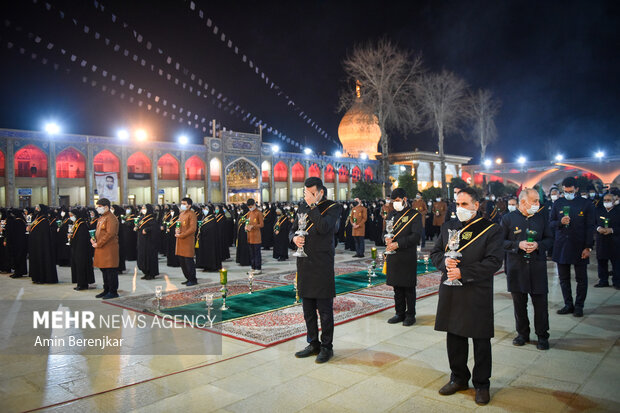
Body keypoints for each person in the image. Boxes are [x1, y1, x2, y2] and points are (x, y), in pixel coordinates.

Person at [431, 187, 503, 405]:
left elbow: (493, 261)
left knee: (480, 338)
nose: (459, 208)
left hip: (476, 289)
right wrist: (445, 262)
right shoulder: (449, 226)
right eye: (457, 204)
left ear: (476, 205)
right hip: (451, 289)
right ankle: (459, 377)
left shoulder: (491, 230)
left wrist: (464, 272)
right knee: (454, 335)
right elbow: (435, 253)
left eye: (464, 204)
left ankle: (482, 383)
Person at [292, 177, 342, 364]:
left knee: (325, 311)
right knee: (308, 310)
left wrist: (313, 207)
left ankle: (326, 346)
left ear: (320, 192)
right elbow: (293, 230)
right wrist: (294, 240)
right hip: (304, 264)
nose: (308, 196)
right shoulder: (301, 207)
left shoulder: (333, 207)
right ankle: (313, 343)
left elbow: (324, 227)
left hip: (322, 265)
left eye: (311, 193)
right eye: (306, 193)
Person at [501, 188, 554, 350]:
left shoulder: (541, 218)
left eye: (538, 200)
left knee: (540, 304)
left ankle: (542, 336)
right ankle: (522, 334)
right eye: (535, 201)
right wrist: (518, 245)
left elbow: (550, 239)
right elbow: (499, 241)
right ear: (523, 202)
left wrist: (538, 245)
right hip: (517, 268)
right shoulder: (508, 219)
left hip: (537, 266)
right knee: (519, 304)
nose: (538, 204)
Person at [549, 177, 595, 317]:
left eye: (570, 191)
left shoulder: (586, 204)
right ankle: (568, 304)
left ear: (576, 189)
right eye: (565, 191)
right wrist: (560, 222)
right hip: (562, 245)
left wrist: (588, 247)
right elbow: (551, 223)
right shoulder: (558, 203)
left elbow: (590, 227)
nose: (568, 193)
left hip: (579, 245)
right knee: (564, 279)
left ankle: (579, 305)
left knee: (581, 279)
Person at [384, 188, 423, 326]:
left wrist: (398, 243)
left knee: (408, 288)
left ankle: (410, 315)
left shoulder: (414, 215)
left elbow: (416, 236)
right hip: (394, 256)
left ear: (405, 199)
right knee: (397, 287)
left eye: (398, 201)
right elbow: (385, 232)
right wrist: (387, 239)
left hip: (407, 255)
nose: (395, 203)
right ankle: (399, 313)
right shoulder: (391, 215)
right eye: (393, 201)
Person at [92, 198, 120, 299]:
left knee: (110, 270)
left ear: (106, 207)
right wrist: (95, 240)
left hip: (109, 249)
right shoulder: (102, 217)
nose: (97, 208)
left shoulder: (111, 218)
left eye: (99, 207)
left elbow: (110, 234)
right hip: (101, 248)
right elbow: (99, 232)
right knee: (104, 270)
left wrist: (99, 243)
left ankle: (113, 291)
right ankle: (106, 289)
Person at [593, 193, 619, 289]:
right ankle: (603, 281)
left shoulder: (618, 211)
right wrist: (598, 228)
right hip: (602, 240)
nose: (606, 202)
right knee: (601, 262)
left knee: (616, 263)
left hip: (615, 242)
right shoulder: (598, 211)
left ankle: (617, 282)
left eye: (609, 200)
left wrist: (611, 230)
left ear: (614, 201)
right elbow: (593, 223)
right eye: (605, 200)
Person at [27, 204, 58, 284]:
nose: (36, 209)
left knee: (42, 260)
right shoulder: (37, 218)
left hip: (42, 245)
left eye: (37, 208)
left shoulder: (44, 220)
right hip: (36, 244)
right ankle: (36, 277)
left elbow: (43, 234)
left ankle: (42, 278)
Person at [69, 208, 95, 291]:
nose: (70, 217)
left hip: (81, 249)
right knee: (78, 266)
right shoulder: (76, 223)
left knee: (81, 266)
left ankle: (82, 284)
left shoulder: (81, 224)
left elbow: (82, 238)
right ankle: (80, 283)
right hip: (77, 248)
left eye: (71, 215)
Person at [175, 198, 198, 286]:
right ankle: (188, 278)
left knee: (188, 261)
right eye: (181, 203)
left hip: (187, 241)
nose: (182, 205)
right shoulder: (181, 214)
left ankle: (193, 279)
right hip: (180, 241)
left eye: (184, 203)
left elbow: (192, 229)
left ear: (189, 205)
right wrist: (176, 230)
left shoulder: (191, 214)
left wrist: (182, 235)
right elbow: (178, 224)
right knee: (182, 262)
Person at [136, 204, 160, 280]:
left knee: (149, 257)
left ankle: (151, 273)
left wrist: (147, 230)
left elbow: (155, 228)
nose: (143, 210)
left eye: (144, 208)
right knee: (143, 256)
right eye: (142, 208)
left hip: (149, 242)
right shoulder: (142, 218)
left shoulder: (151, 218)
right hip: (142, 241)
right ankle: (146, 272)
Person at [245, 199, 264, 274]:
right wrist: (246, 227)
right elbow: (247, 222)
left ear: (254, 205)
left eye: (251, 206)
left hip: (256, 237)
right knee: (251, 253)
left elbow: (262, 224)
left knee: (257, 253)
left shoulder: (259, 213)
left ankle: (258, 268)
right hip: (249, 236)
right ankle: (253, 267)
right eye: (249, 207)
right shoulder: (249, 213)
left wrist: (253, 226)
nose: (250, 208)